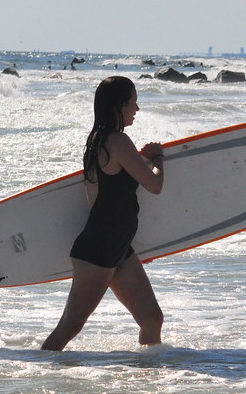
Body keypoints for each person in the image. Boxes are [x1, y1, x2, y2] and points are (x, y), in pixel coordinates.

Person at [42, 76, 165, 351]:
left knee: (152, 319)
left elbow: (95, 199)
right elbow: (154, 185)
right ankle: (40, 373)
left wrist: (125, 240)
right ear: (119, 105)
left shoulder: (97, 141)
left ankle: (150, 373)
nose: (137, 109)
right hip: (99, 250)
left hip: (116, 246)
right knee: (69, 327)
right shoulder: (118, 142)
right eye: (133, 102)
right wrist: (157, 159)